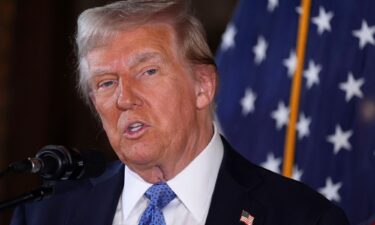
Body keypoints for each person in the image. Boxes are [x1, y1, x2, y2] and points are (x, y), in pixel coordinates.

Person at [10, 0, 350, 224]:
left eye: (148, 72)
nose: (124, 98)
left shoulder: (303, 217)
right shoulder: (44, 215)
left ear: (203, 86)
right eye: (106, 83)